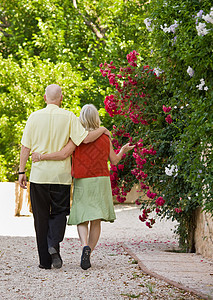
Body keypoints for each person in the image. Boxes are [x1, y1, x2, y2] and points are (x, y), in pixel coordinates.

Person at [32, 104, 134, 270]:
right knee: (96, 220)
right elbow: (114, 161)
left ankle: (84, 245)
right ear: (96, 118)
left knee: (82, 217)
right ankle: (88, 252)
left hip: (83, 180)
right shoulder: (105, 137)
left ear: (81, 118)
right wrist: (122, 150)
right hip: (101, 180)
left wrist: (41, 156)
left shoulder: (77, 138)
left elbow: (63, 154)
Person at [19, 85, 111, 270]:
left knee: (40, 217)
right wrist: (103, 130)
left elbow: (25, 147)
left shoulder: (34, 117)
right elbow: (84, 139)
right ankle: (54, 243)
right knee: (59, 214)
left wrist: (22, 172)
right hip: (61, 177)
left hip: (39, 176)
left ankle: (45, 261)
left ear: (45, 97)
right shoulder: (69, 116)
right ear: (61, 98)